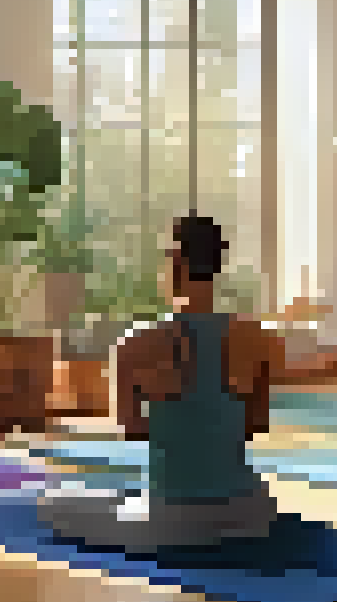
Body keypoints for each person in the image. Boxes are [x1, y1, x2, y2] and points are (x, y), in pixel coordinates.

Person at [38, 214, 284, 551]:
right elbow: (256, 423)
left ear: (176, 263)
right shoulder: (260, 339)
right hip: (249, 514)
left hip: (170, 521)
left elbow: (133, 429)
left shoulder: (134, 344)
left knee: (55, 502)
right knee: (122, 496)